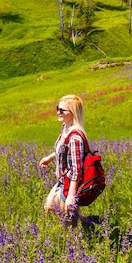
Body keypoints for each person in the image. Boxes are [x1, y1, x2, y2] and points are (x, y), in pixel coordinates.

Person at [39, 94, 88, 225]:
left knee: (68, 221)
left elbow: (76, 169)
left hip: (70, 183)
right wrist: (50, 157)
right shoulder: (65, 128)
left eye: (62, 110)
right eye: (57, 108)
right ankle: (85, 222)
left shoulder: (75, 137)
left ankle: (86, 227)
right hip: (62, 181)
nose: (58, 112)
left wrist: (71, 195)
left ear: (73, 113)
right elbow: (63, 150)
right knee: (50, 207)